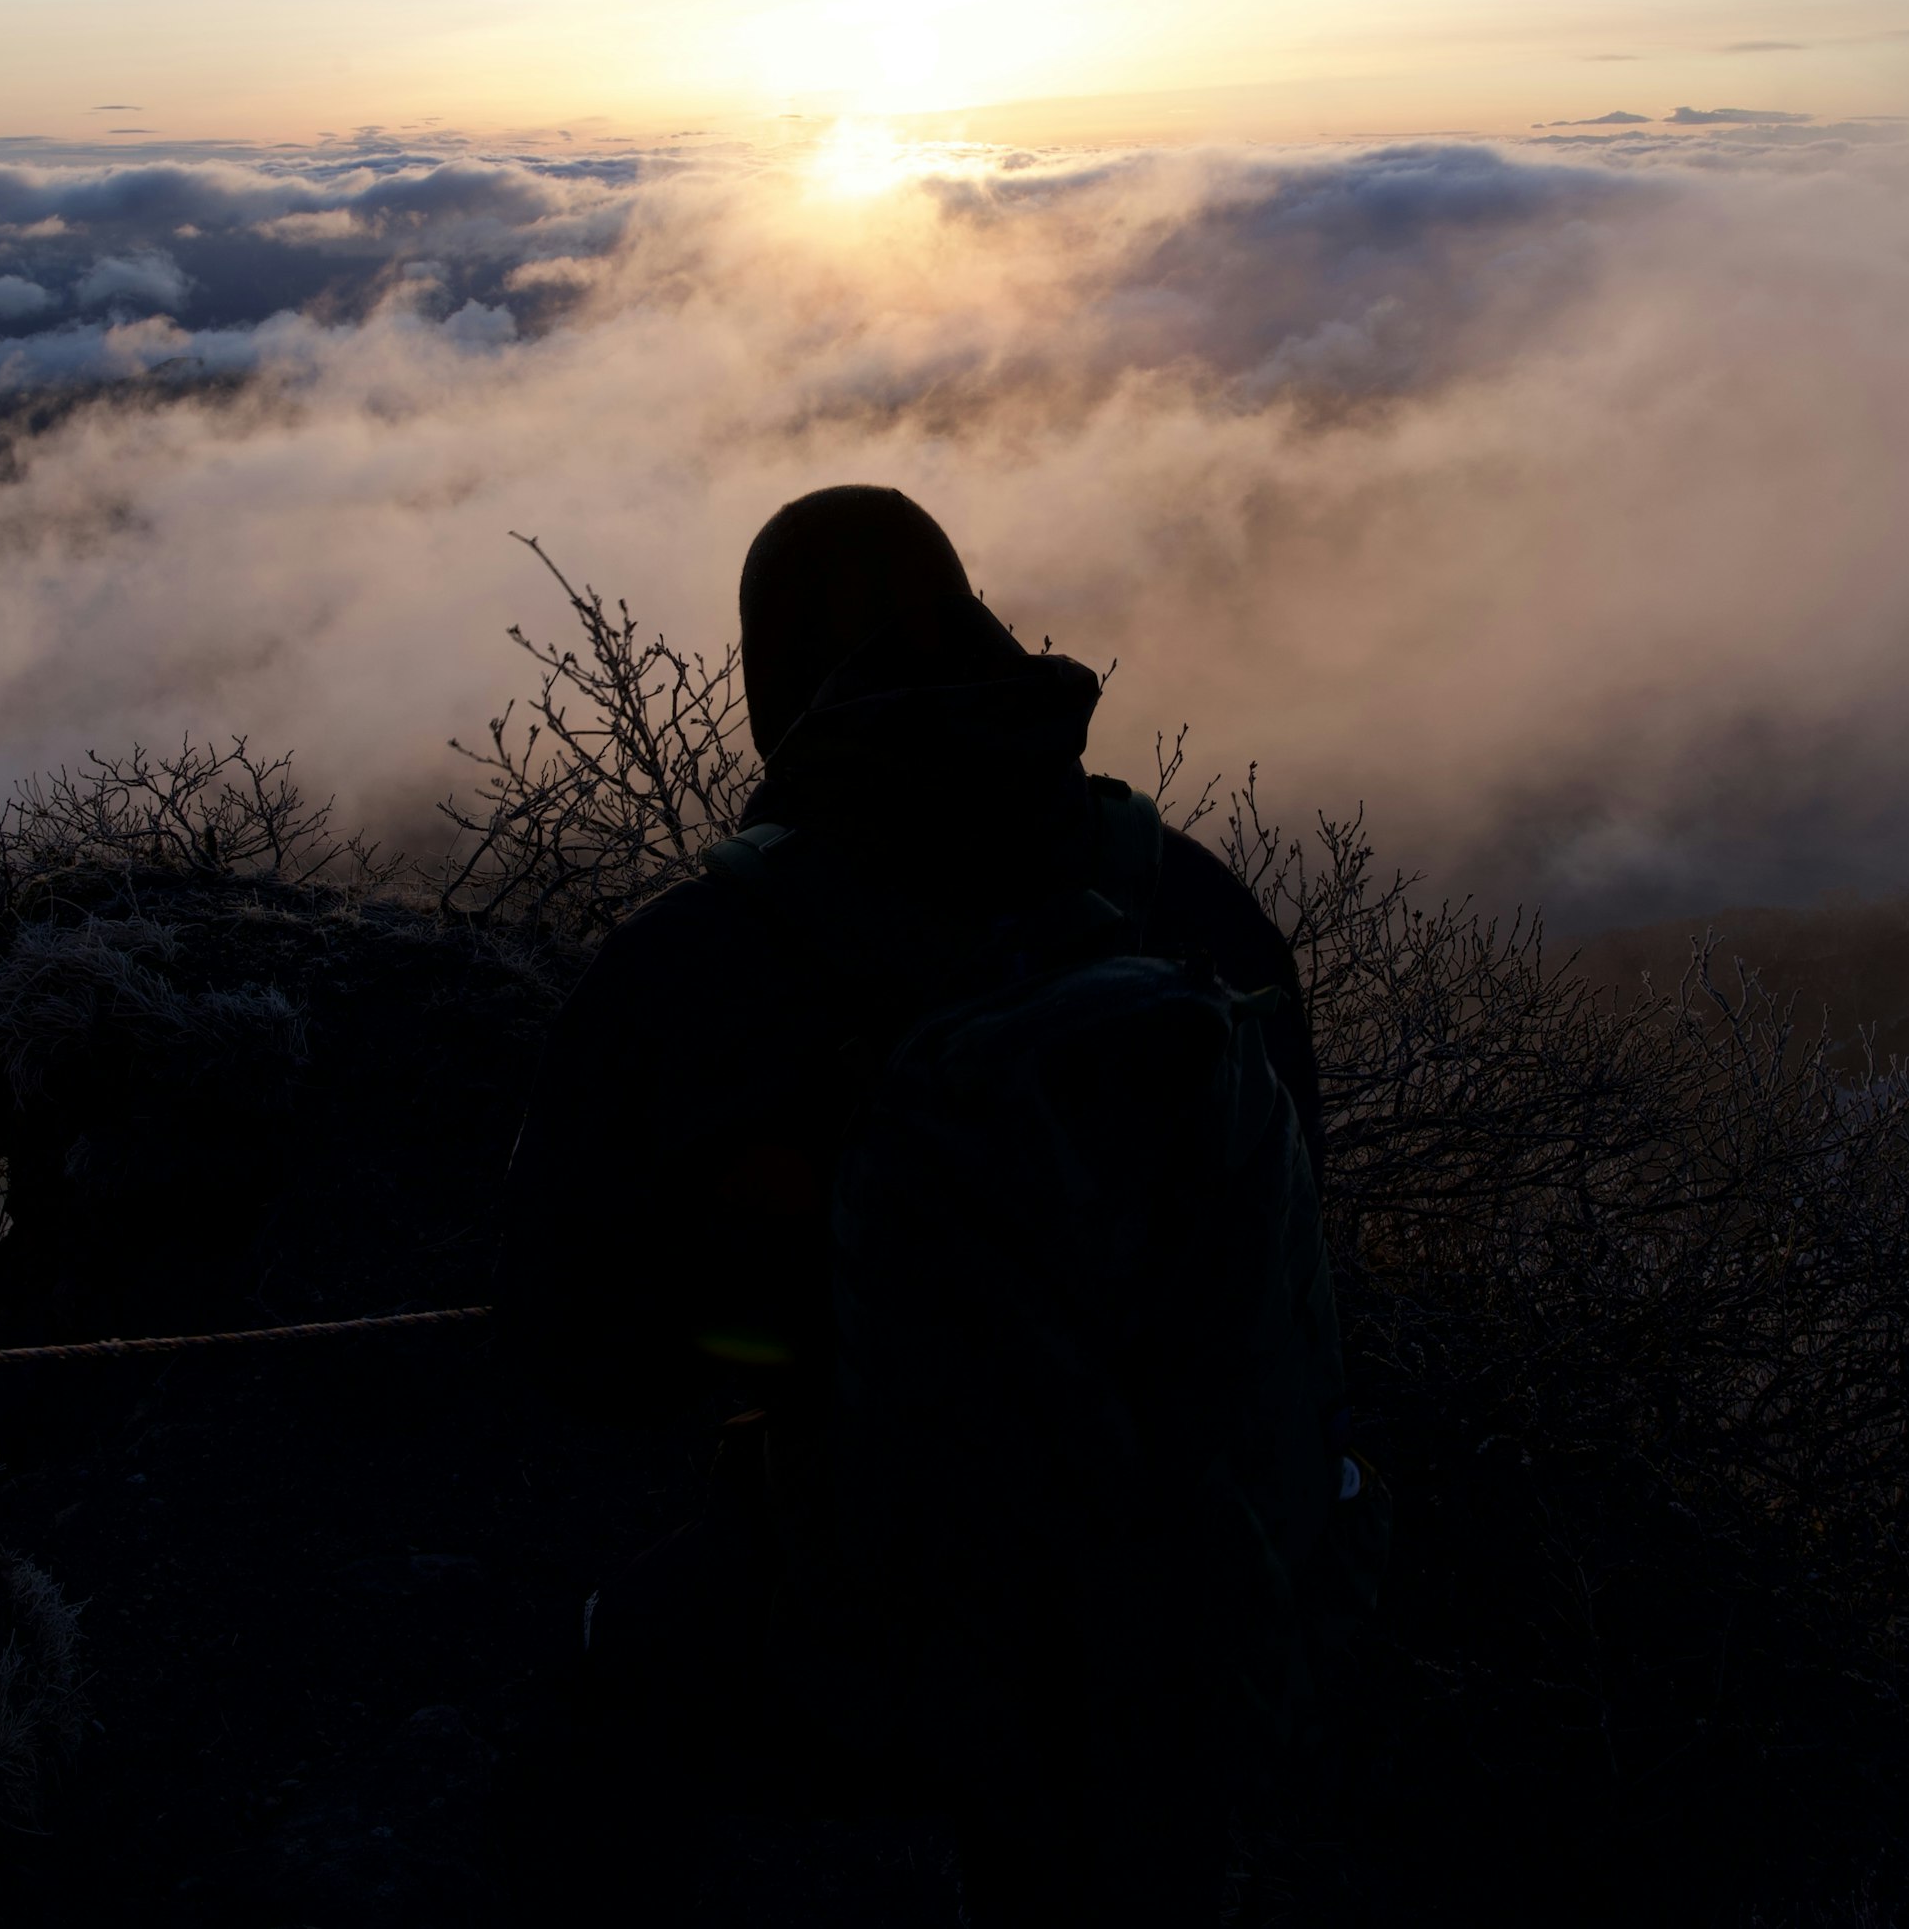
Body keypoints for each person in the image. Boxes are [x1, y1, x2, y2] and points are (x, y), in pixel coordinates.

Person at [502, 485, 1362, 1922]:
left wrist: (809, 1326)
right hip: (1219, 1594)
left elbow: (577, 1351)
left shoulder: (705, 961)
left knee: (605, 1694)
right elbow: (1296, 1235)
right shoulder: (1195, 903)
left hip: (889, 1629)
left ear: (772, 686)